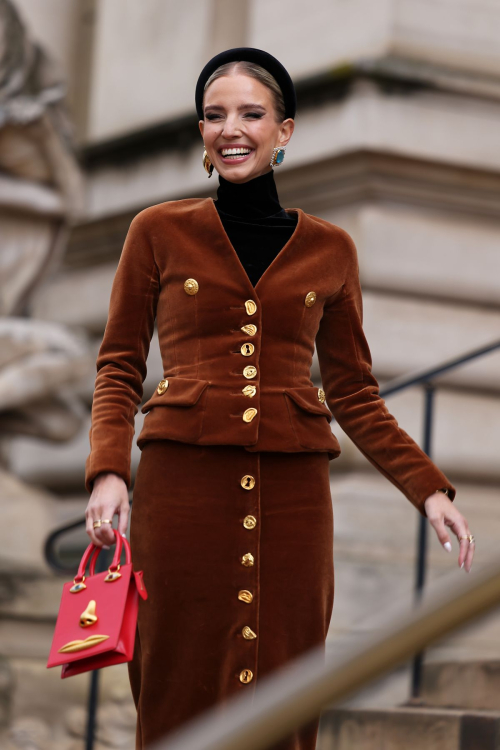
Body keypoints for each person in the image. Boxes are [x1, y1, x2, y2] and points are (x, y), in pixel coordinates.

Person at [83, 47, 475, 750]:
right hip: (181, 492)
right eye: (213, 114)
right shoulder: (157, 232)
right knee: (176, 692)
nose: (230, 128)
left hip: (295, 500)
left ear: (284, 130)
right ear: (202, 131)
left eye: (251, 113)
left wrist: (428, 490)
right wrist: (110, 470)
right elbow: (117, 366)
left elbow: (354, 390)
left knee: (287, 690)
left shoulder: (333, 249)